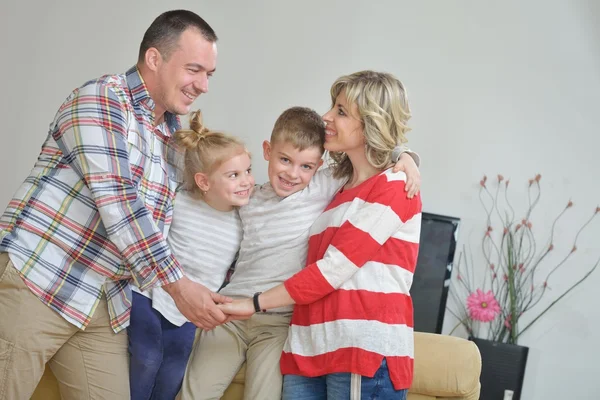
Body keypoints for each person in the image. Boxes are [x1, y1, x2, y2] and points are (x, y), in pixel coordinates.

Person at [0, 10, 229, 400]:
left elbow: (165, 222)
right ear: (154, 59)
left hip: (103, 301)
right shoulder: (103, 99)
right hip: (40, 278)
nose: (203, 85)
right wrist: (179, 286)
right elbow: (120, 203)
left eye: (209, 74)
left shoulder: (170, 137)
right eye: (194, 69)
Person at [179, 106, 421, 399]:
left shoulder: (320, 187)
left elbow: (370, 157)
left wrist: (405, 157)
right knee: (195, 393)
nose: (293, 174)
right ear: (268, 151)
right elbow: (211, 193)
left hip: (278, 322)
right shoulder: (249, 196)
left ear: (318, 166)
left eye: (306, 166)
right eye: (284, 160)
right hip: (231, 312)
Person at [128, 110, 254, 399]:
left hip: (190, 313)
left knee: (174, 369)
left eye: (248, 170)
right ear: (204, 182)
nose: (246, 180)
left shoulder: (243, 219)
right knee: (146, 359)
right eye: (234, 175)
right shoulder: (179, 202)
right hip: (149, 295)